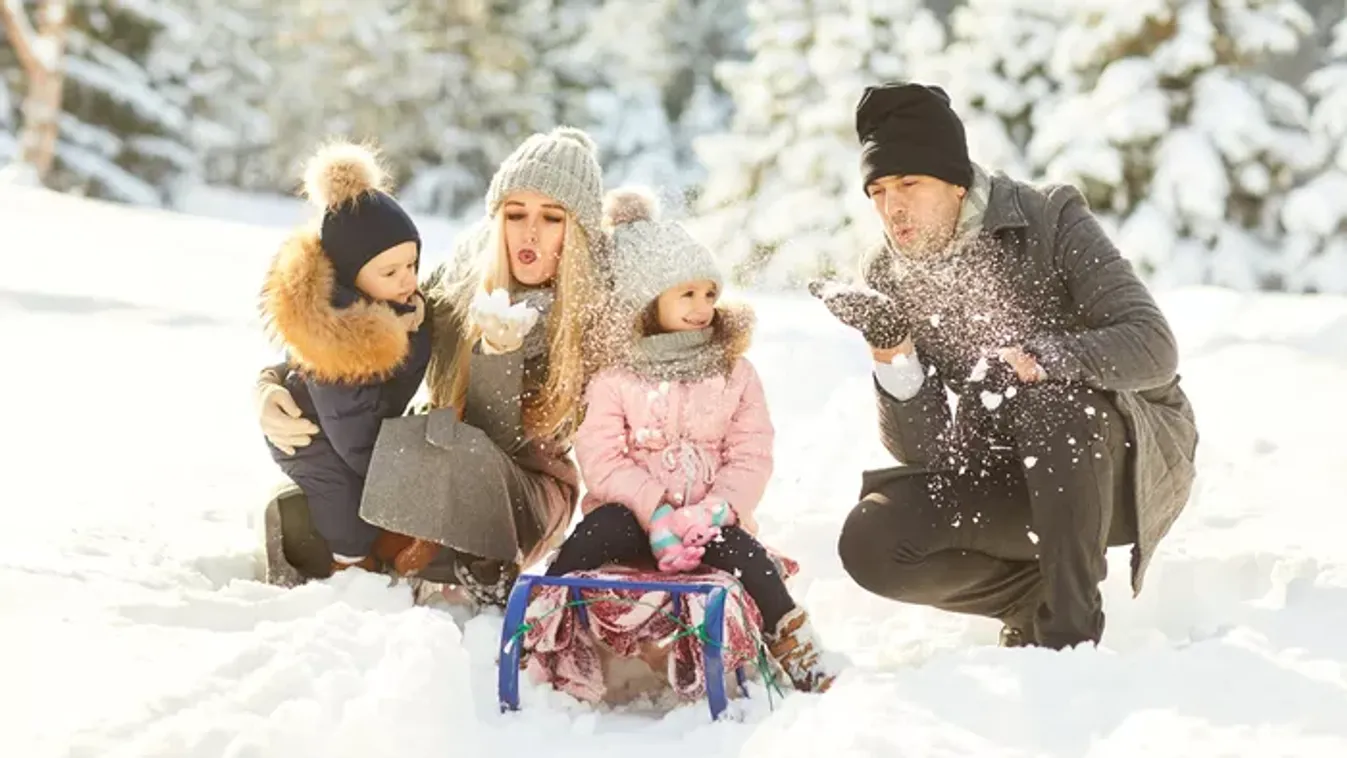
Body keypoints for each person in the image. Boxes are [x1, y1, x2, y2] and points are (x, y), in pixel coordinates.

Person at [822, 82, 1199, 650]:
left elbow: (1153, 345)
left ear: (955, 181)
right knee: (872, 538)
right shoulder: (890, 272)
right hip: (1012, 478)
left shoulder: (1049, 217)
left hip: (1118, 467)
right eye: (876, 190)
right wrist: (892, 347)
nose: (891, 207)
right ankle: (1030, 599)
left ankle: (1069, 635)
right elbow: (925, 455)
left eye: (908, 183)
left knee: (1047, 402)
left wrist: (1041, 359)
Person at [256, 126, 610, 608]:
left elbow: (500, 438)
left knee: (439, 448)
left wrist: (497, 358)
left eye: (552, 218)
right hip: (436, 456)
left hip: (522, 491)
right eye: (515, 213)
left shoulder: (592, 317)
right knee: (331, 485)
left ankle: (452, 562)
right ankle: (370, 550)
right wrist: (273, 385)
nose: (529, 232)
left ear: (580, 230)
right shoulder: (462, 288)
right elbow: (360, 330)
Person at [546, 188, 838, 693]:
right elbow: (602, 456)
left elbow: (751, 452)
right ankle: (545, 620)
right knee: (595, 533)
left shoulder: (734, 373)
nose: (703, 307)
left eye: (709, 294)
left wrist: (715, 510)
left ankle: (792, 637)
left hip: (708, 521)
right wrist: (655, 510)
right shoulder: (616, 377)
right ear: (647, 303)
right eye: (687, 294)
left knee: (747, 557)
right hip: (636, 517)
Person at [257, 140, 430, 575]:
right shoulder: (340, 348)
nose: (408, 279)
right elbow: (355, 440)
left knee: (367, 496)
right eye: (390, 273)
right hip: (312, 437)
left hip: (356, 431)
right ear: (352, 280)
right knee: (346, 508)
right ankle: (344, 566)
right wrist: (401, 483)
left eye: (412, 264)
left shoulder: (400, 309)